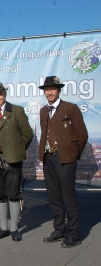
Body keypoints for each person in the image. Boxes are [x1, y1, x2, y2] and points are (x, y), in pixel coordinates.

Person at [39, 76, 88, 248]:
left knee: (69, 197)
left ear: (59, 90)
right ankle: (59, 230)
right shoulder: (43, 111)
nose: (49, 92)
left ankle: (73, 234)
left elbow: (82, 134)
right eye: (46, 89)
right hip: (48, 158)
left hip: (65, 159)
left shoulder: (70, 108)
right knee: (54, 197)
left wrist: (72, 155)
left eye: (52, 88)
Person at [0, 82, 33, 242]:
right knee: (0, 194)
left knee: (14, 193)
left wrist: (15, 150)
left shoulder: (17, 111)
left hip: (12, 159)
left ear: (5, 94)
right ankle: (3, 227)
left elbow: (27, 135)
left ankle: (14, 228)